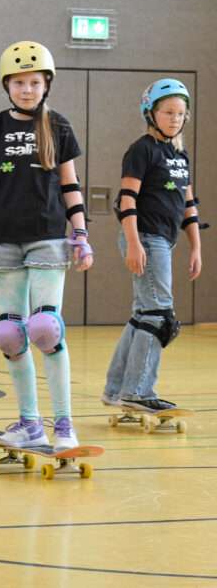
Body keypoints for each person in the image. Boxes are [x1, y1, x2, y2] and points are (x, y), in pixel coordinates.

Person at [0, 41, 93, 451]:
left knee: (45, 328)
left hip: (49, 237)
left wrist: (81, 233)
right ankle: (29, 424)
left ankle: (65, 426)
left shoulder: (59, 127)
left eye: (35, 82)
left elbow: (70, 185)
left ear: (46, 84)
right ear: (7, 85)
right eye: (19, 82)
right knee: (10, 334)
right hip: (4, 241)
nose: (27, 89)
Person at [103, 78, 204, 411]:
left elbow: (188, 206)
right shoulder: (142, 150)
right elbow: (127, 199)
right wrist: (133, 243)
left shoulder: (179, 154)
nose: (175, 118)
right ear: (151, 113)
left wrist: (196, 248)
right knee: (160, 315)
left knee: (142, 315)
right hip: (145, 236)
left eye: (180, 113)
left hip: (164, 239)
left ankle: (117, 389)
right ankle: (138, 392)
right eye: (168, 112)